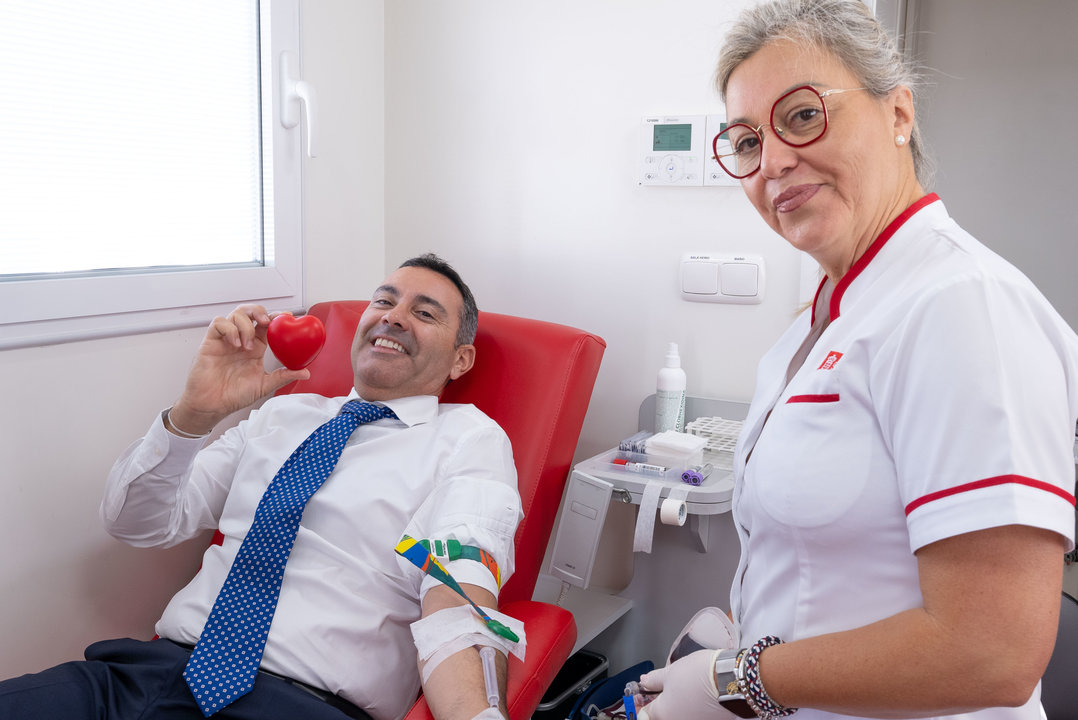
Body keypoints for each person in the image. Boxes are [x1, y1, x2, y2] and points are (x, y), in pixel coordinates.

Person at [636, 1, 1078, 719]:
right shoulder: (826, 314)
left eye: (803, 116)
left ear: (898, 112)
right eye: (746, 143)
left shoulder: (962, 306)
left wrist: (740, 680)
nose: (772, 161)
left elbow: (991, 650)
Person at [0, 254, 521, 720]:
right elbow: (136, 525)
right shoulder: (283, 414)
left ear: (460, 359)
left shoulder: (467, 439)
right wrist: (192, 416)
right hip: (145, 674)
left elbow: (459, 593)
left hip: (301, 702)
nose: (393, 316)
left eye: (425, 313)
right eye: (383, 300)